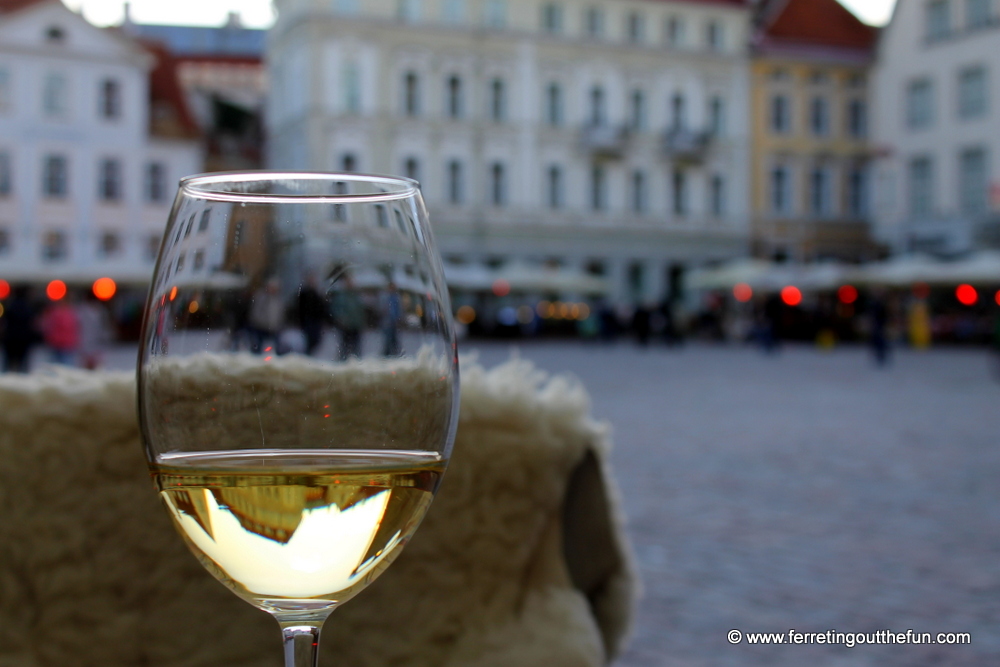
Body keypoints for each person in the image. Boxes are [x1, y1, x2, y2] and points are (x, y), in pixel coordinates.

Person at [1, 286, 38, 373]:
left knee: (8, 364)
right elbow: (33, 323)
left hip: (10, 338)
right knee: (22, 365)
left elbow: (4, 321)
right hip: (23, 339)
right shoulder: (28, 307)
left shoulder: (10, 305)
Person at [330, 275, 365, 360]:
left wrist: (362, 322)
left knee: (356, 347)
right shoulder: (341, 296)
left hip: (356, 325)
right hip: (345, 326)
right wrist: (340, 319)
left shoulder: (356, 296)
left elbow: (361, 310)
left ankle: (356, 363)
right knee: (344, 347)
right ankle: (342, 363)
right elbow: (335, 309)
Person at [76, 291, 112, 370]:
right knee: (85, 367)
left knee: (97, 367)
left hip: (97, 343)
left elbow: (105, 327)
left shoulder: (101, 310)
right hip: (84, 342)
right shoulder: (81, 310)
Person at [40, 295, 80, 365]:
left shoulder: (70, 313)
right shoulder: (57, 313)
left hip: (66, 344)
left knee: (64, 365)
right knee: (57, 365)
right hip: (57, 344)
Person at [248, 279, 285, 354]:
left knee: (275, 347)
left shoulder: (278, 300)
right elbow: (256, 312)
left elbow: (280, 314)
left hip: (274, 328)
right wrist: (259, 322)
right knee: (258, 347)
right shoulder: (261, 298)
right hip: (260, 327)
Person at [297, 275, 328, 356]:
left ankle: (309, 354)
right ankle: (307, 355)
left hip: (317, 321)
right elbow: (300, 308)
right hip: (308, 320)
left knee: (316, 340)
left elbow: (322, 307)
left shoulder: (317, 293)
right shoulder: (304, 294)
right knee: (308, 340)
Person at [381, 281, 402, 357]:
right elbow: (382, 308)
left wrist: (398, 319)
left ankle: (394, 354)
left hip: (394, 321)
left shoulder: (396, 297)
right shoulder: (385, 297)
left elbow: (398, 309)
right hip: (387, 321)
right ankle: (386, 354)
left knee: (394, 339)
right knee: (388, 339)